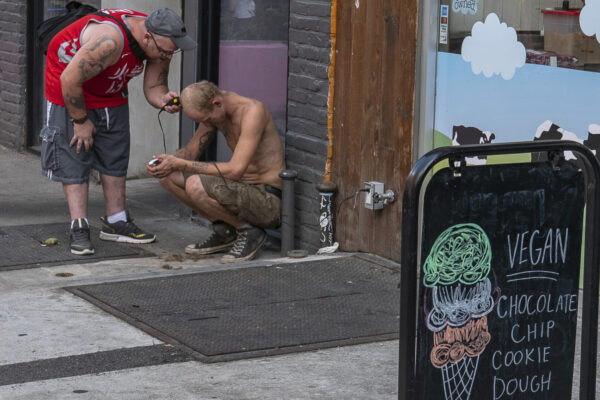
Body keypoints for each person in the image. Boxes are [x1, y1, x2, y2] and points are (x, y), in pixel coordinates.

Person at [41, 8, 196, 255]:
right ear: (147, 38)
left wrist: (163, 99)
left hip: (109, 91)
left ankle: (116, 221)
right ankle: (78, 226)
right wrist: (80, 121)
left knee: (115, 151)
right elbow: (69, 79)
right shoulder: (110, 41)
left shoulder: (162, 41)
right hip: (69, 89)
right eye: (166, 50)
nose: (169, 55)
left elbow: (155, 85)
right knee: (76, 153)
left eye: (173, 51)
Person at [147, 81, 286, 263]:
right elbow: (190, 153)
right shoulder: (214, 112)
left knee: (194, 184)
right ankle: (225, 231)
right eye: (201, 121)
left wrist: (180, 164)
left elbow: (235, 170)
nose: (206, 124)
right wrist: (166, 162)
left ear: (217, 103)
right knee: (167, 175)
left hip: (267, 201)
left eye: (207, 120)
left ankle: (249, 232)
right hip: (240, 190)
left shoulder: (252, 112)